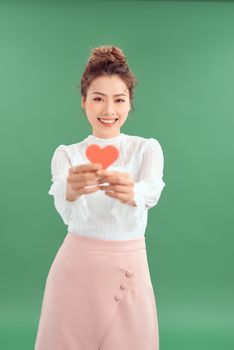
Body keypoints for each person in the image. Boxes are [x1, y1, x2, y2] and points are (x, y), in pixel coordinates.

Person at [34, 45, 166, 350]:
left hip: (129, 265)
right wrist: (70, 190)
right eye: (98, 99)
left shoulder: (146, 149)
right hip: (74, 270)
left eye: (119, 100)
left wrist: (132, 191)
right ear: (83, 102)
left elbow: (152, 190)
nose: (109, 111)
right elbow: (65, 209)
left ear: (130, 104)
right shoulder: (67, 154)